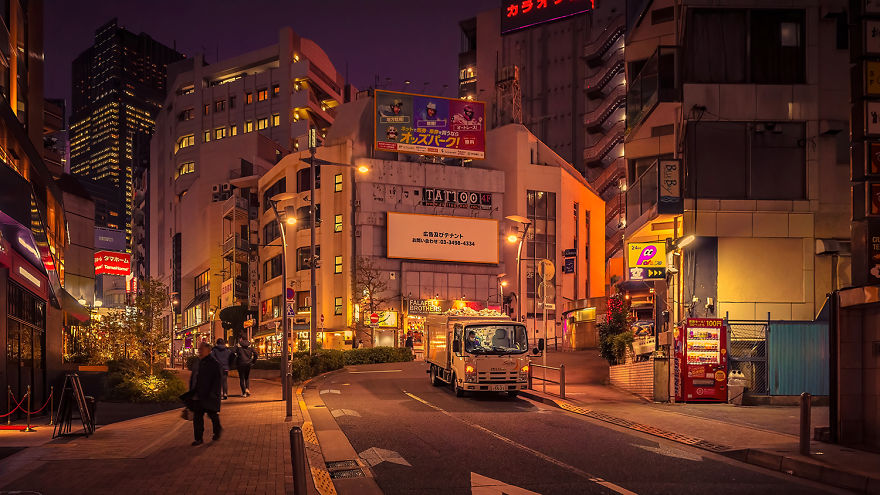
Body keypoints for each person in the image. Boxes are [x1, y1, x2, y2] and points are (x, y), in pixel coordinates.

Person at [189, 341, 222, 446]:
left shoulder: (213, 364)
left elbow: (217, 381)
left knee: (212, 415)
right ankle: (198, 438)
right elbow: (193, 378)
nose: (199, 351)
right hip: (197, 395)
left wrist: (213, 393)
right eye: (199, 349)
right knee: (197, 417)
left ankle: (217, 431)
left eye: (201, 349)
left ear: (208, 350)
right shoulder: (197, 362)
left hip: (209, 395)